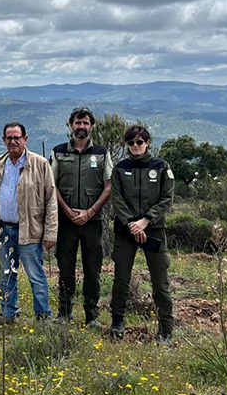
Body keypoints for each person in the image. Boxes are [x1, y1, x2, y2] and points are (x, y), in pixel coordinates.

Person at [0, 122, 58, 323]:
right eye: (9, 138)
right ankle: (9, 314)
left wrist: (51, 233)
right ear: (4, 140)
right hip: (4, 229)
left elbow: (51, 200)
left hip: (30, 230)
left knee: (36, 276)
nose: (13, 141)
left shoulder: (40, 164)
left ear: (25, 139)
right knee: (7, 275)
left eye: (17, 137)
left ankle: (43, 316)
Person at [109, 125, 175, 345]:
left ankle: (165, 330)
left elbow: (166, 198)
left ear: (148, 143)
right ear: (126, 145)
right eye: (131, 142)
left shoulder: (161, 166)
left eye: (139, 142)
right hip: (125, 231)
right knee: (121, 280)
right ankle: (117, 322)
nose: (135, 146)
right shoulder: (120, 168)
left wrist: (146, 220)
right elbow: (117, 199)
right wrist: (132, 224)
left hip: (153, 230)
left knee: (160, 282)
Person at [51, 107, 113, 328]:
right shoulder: (59, 152)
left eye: (85, 123)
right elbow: (52, 185)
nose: (81, 126)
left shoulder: (102, 153)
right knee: (65, 269)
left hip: (92, 222)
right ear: (71, 125)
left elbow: (109, 186)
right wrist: (67, 211)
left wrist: (90, 212)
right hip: (66, 222)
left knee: (92, 270)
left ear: (91, 126)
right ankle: (64, 314)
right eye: (78, 122)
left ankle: (91, 316)